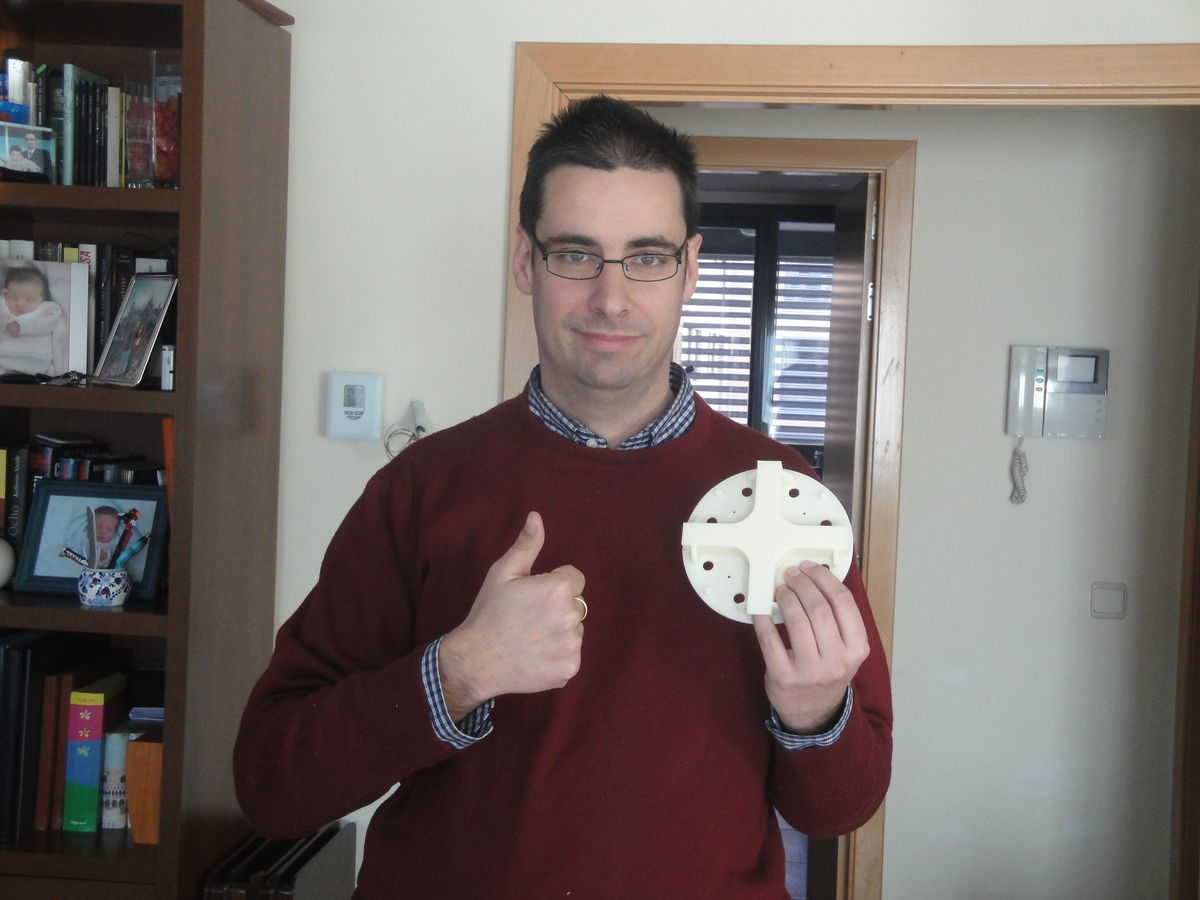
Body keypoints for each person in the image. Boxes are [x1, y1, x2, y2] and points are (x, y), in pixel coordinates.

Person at [234, 95, 892, 898]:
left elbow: (840, 810)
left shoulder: (783, 502)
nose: (612, 298)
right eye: (577, 255)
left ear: (690, 268)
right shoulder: (422, 488)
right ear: (526, 261)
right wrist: (456, 674)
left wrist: (815, 714)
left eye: (647, 257)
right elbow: (271, 785)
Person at [0, 265, 65, 375]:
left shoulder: (46, 309)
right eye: (13, 297)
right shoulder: (5, 309)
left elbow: (46, 325)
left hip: (34, 357)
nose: (19, 304)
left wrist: (22, 327)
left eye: (29, 300)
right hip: (5, 357)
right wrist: (2, 301)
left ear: (42, 299)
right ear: (5, 293)